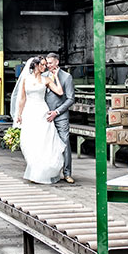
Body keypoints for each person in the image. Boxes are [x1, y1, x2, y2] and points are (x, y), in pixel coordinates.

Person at [10, 56, 67, 184]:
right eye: (42, 64)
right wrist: (19, 114)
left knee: (44, 141)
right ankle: (34, 170)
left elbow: (60, 91)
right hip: (30, 112)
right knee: (30, 141)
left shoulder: (46, 79)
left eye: (45, 65)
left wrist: (55, 76)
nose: (44, 67)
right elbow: (22, 99)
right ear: (35, 65)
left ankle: (43, 172)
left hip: (42, 111)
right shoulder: (26, 79)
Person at [44, 52, 76, 183]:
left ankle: (67, 173)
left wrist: (56, 112)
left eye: (50, 63)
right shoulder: (43, 76)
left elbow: (70, 99)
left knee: (64, 142)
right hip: (45, 116)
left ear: (57, 62)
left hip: (60, 116)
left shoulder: (66, 77)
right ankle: (50, 172)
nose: (48, 65)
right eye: (47, 63)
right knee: (48, 144)